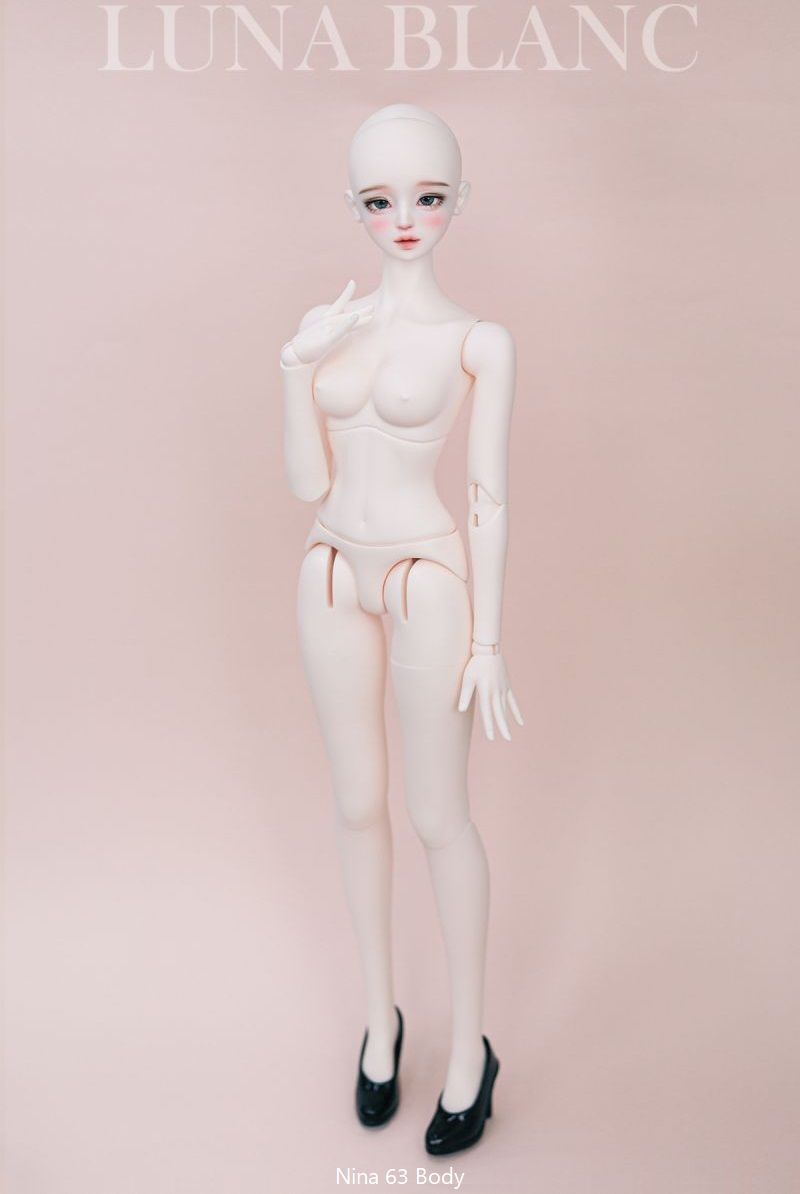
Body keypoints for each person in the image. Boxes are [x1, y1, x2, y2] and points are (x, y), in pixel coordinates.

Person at [279, 104, 523, 1156]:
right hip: (331, 566)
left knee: (436, 813)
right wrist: (294, 369)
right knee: (354, 803)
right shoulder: (332, 328)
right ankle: (381, 1022)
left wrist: (489, 641)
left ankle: (469, 1047)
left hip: (428, 575)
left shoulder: (477, 340)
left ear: (459, 199)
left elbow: (488, 496)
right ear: (354, 207)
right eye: (382, 201)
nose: (406, 219)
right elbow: (306, 483)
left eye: (428, 197)